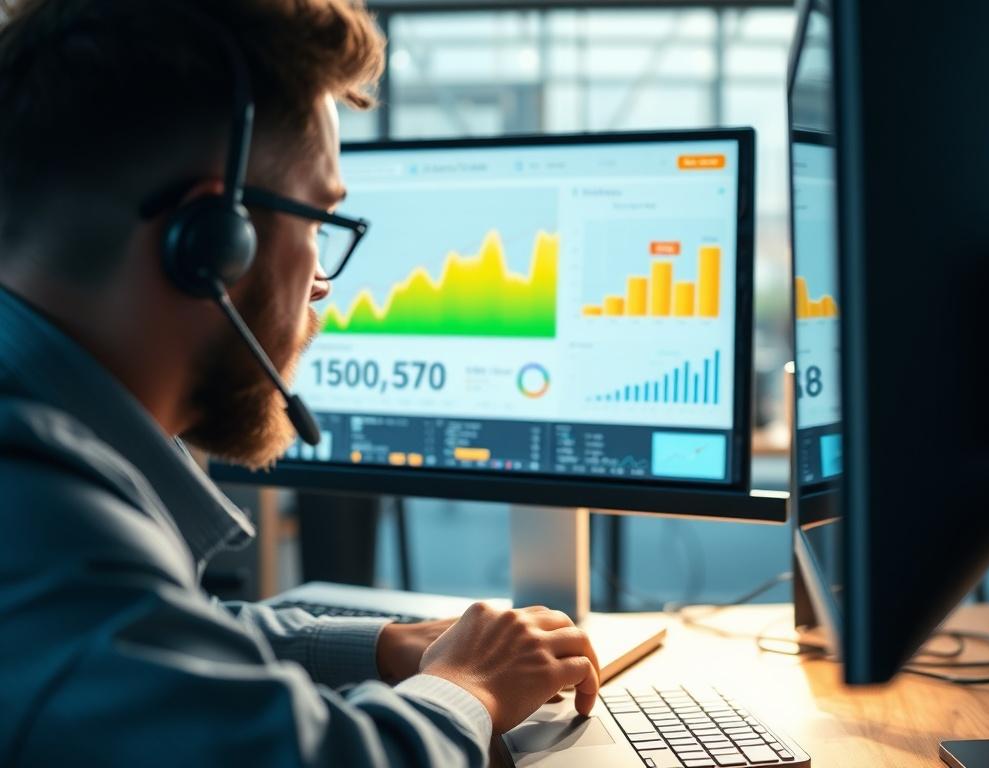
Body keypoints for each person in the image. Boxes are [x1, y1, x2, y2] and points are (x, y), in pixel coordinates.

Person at [0, 1, 600, 765]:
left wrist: (382, 648)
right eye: (317, 221)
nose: (321, 282)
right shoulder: (42, 518)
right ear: (207, 245)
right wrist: (467, 689)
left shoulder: (42, 480)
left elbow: (152, 646)